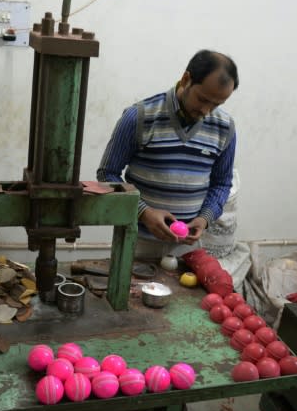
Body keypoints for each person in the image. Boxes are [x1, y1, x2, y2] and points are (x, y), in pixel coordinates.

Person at [97, 49, 239, 258]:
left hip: (188, 248)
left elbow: (222, 183)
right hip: (136, 241)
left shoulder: (225, 128)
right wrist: (143, 212)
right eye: (202, 99)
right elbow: (107, 174)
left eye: (216, 104)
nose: (206, 111)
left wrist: (204, 219)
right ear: (186, 79)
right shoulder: (139, 117)